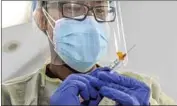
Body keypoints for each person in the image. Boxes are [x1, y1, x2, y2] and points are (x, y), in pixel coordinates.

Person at [2, 0, 176, 105]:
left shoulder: (145, 90)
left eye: (100, 9)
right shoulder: (8, 97)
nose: (91, 22)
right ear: (42, 19)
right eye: (72, 7)